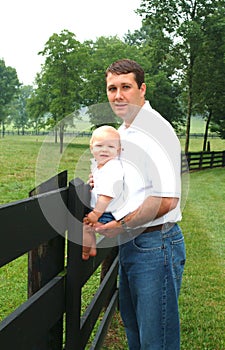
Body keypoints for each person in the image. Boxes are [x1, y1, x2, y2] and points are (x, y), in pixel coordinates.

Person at [83, 59, 186, 349]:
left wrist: (121, 224)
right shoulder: (123, 132)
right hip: (133, 243)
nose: (118, 95)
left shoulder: (157, 133)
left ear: (142, 89)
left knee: (157, 339)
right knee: (135, 330)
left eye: (125, 87)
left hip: (155, 244)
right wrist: (101, 179)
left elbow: (166, 200)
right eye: (112, 88)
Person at [82, 125, 125, 260]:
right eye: (100, 145)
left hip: (106, 213)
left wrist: (95, 214)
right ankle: (92, 248)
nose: (104, 150)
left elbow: (107, 195)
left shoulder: (112, 168)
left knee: (85, 227)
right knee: (88, 227)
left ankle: (86, 252)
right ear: (91, 147)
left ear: (118, 151)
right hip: (104, 211)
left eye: (110, 147)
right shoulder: (101, 166)